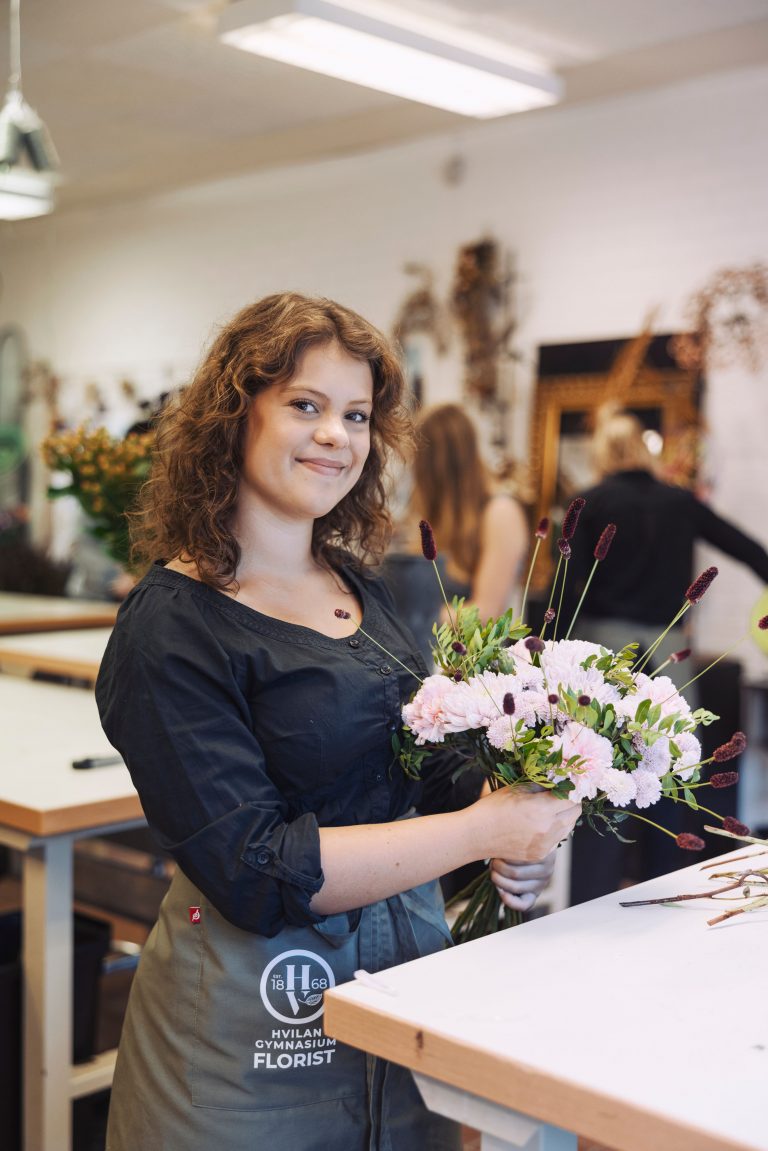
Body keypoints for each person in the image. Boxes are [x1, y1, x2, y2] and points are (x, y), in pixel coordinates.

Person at [95, 292, 581, 1151]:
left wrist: (511, 830)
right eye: (306, 405)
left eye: (356, 414)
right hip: (256, 1023)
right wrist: (480, 828)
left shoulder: (364, 586)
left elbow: (418, 765)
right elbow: (256, 869)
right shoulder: (172, 626)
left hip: (405, 982)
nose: (337, 435)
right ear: (232, 416)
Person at [566, 408, 768, 901]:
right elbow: (747, 549)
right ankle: (661, 892)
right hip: (667, 657)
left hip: (600, 657)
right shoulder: (680, 503)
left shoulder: (590, 502)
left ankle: (592, 899)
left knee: (597, 774)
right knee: (673, 770)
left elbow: (567, 588)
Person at [382, 402, 528, 665]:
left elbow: (487, 611)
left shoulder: (500, 512)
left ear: (437, 466)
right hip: (431, 657)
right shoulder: (443, 516)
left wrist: (413, 613)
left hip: (473, 668)